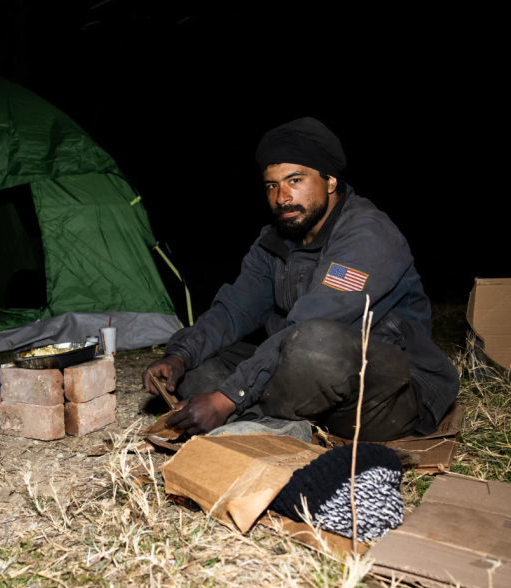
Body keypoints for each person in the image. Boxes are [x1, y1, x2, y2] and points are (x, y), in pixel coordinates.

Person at [142, 117, 458, 443]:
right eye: (271, 186)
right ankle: (282, 424)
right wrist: (179, 356)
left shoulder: (368, 234)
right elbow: (235, 309)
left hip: (391, 389)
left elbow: (313, 326)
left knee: (314, 342)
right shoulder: (274, 240)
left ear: (330, 181)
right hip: (303, 372)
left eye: (295, 180)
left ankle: (259, 418)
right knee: (201, 360)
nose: (281, 197)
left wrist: (227, 397)